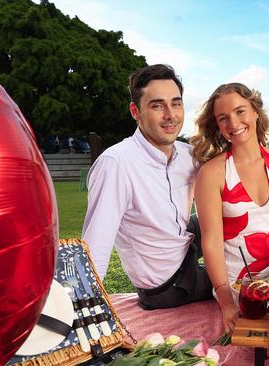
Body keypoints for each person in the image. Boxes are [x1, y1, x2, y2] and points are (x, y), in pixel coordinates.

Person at [82, 64, 213, 310]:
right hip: (167, 286)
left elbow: (228, 183)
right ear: (135, 111)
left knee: (228, 215)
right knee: (237, 281)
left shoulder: (187, 154)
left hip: (181, 243)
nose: (170, 115)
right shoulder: (116, 165)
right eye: (157, 105)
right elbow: (95, 247)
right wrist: (86, 314)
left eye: (176, 103)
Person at [191, 83, 269, 333]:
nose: (233, 123)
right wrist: (225, 302)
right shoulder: (212, 174)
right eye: (223, 118)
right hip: (238, 285)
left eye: (240, 111)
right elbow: (211, 242)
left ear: (255, 112)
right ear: (218, 126)